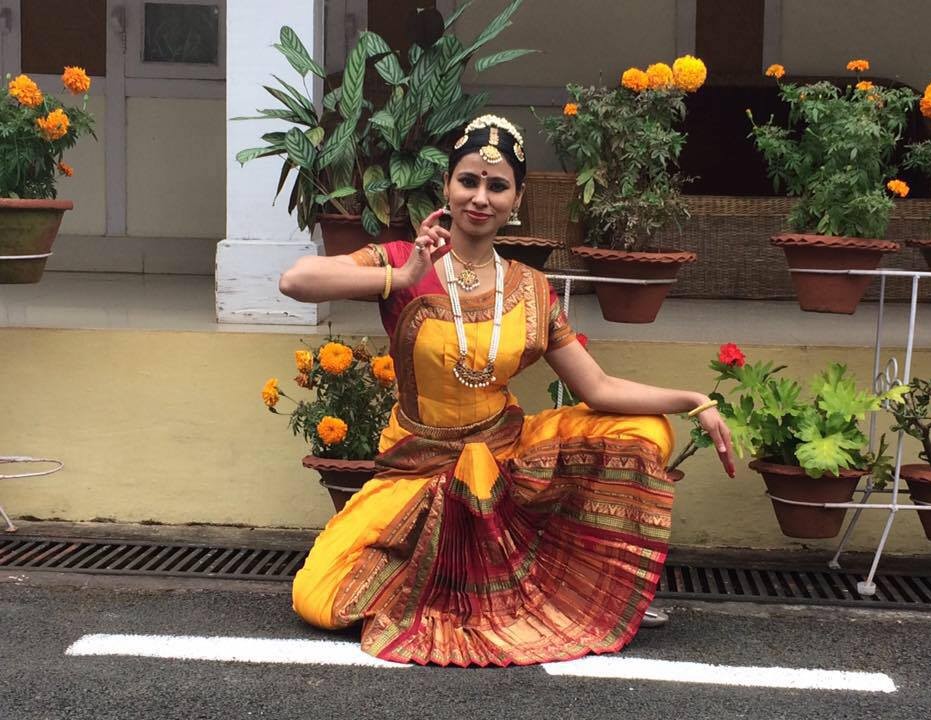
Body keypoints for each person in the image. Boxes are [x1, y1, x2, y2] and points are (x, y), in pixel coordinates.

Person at [279, 115, 735, 667]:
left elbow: (597, 386)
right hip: (419, 468)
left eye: (497, 186)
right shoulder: (406, 260)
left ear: (515, 199)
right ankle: (443, 582)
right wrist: (398, 281)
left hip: (505, 457)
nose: (480, 197)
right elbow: (296, 280)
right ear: (447, 186)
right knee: (319, 598)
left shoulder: (531, 289)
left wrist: (693, 400)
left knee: (644, 431)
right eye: (468, 180)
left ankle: (585, 586)